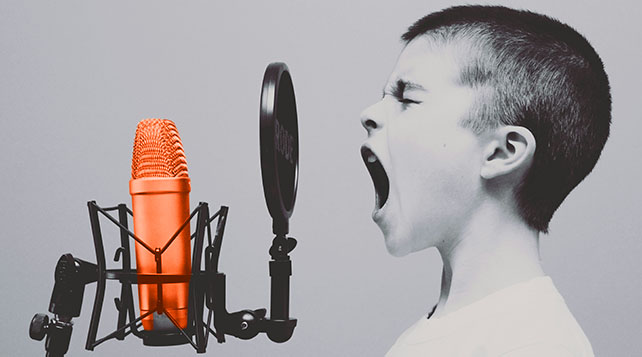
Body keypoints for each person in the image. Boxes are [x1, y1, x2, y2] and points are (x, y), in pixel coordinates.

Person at [359, 5, 610, 357]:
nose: (368, 114)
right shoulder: (437, 332)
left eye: (407, 98)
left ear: (502, 152)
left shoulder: (537, 346)